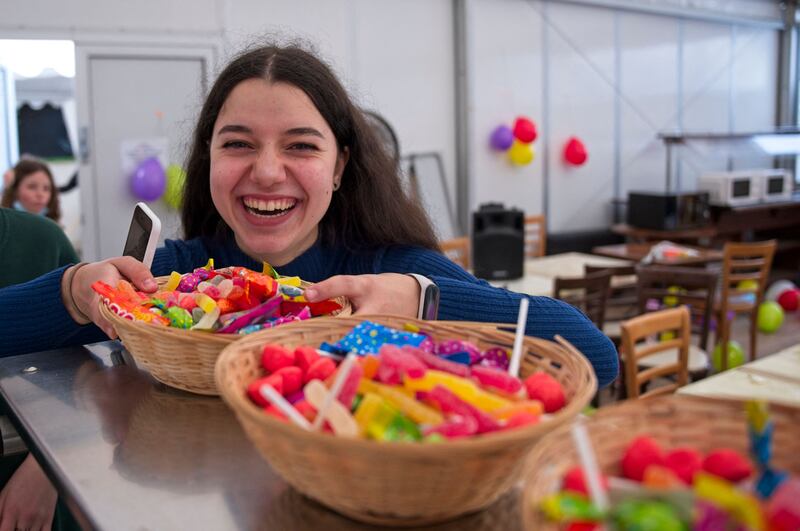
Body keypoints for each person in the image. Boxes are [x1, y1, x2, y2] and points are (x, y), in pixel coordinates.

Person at [0, 41, 618, 530]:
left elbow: (593, 354)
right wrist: (77, 287)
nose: (267, 172)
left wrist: (425, 300)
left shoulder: (392, 268)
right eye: (237, 144)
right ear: (208, 159)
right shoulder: (175, 278)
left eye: (301, 145)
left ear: (341, 165)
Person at [1, 159, 63, 224]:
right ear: (15, 189)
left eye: (46, 188)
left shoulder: (53, 227)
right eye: (32, 187)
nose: (40, 194)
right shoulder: (4, 226)